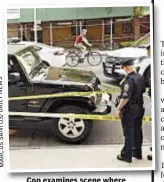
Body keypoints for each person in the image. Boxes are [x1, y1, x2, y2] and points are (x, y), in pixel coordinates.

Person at [115, 58, 146, 163]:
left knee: (129, 133)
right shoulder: (140, 77)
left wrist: (118, 109)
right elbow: (142, 90)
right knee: (138, 131)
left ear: (123, 67)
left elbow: (125, 97)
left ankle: (126, 156)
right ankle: (137, 153)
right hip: (140, 108)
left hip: (129, 110)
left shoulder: (129, 80)